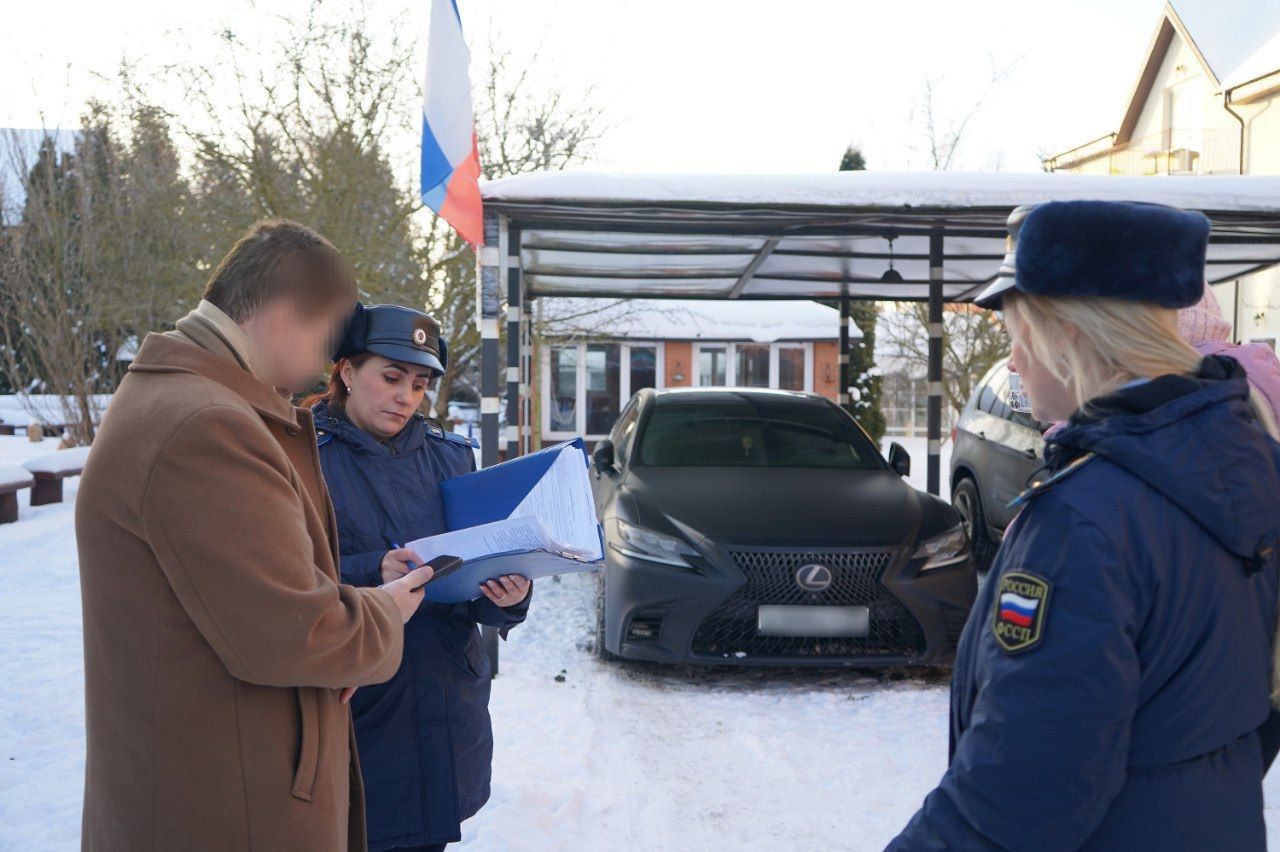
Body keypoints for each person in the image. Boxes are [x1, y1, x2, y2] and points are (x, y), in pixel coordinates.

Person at [890, 200, 1280, 850]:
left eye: (1019, 336)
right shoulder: (1249, 460)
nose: (1011, 363)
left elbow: (1017, 794)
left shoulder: (1086, 516)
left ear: (1069, 336)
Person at [76, 220, 435, 851]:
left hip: (208, 779)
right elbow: (291, 632)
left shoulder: (187, 401)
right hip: (226, 805)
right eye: (327, 333)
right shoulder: (208, 425)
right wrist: (384, 612)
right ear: (281, 313)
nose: (328, 358)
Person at [308, 302, 532, 852]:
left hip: (445, 701)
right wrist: (370, 571)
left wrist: (506, 596)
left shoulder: (451, 459)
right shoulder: (299, 457)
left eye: (420, 383)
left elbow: (471, 568)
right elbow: (273, 579)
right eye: (390, 377)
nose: (406, 396)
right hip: (358, 706)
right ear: (345, 371)